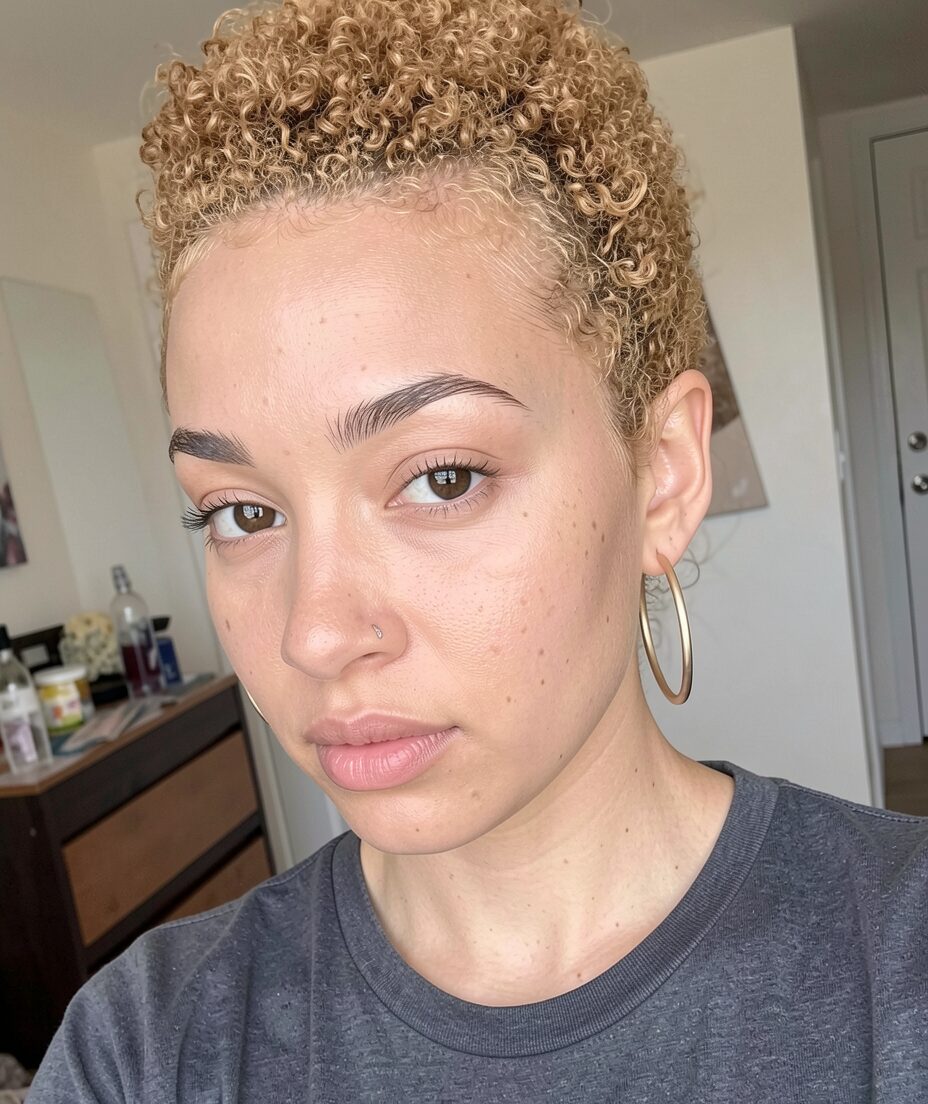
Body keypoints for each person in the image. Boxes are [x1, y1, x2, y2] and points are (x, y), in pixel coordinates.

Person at [29, 0, 928, 1099]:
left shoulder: (900, 974)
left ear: (663, 474)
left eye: (442, 478)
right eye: (242, 513)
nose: (315, 633)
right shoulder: (145, 1049)